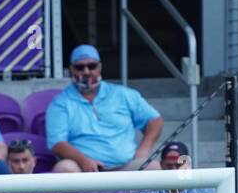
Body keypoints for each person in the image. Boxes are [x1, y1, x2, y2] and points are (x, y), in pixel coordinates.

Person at [46, 44, 162, 172]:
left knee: (153, 167)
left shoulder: (122, 94)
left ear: (99, 67)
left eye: (92, 66)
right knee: (64, 168)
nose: (86, 72)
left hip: (127, 167)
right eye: (80, 67)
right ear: (71, 70)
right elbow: (57, 143)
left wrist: (144, 149)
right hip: (84, 169)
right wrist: (83, 160)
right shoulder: (60, 102)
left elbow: (154, 120)